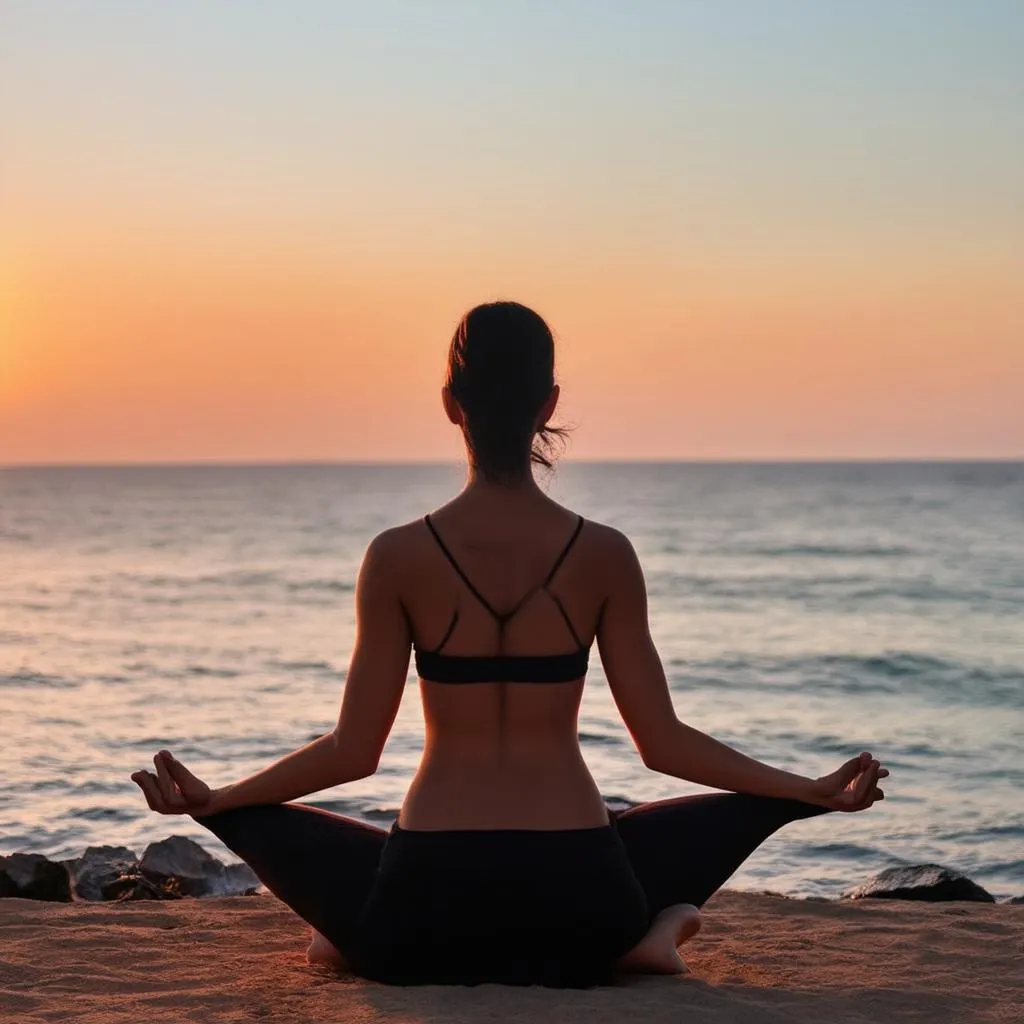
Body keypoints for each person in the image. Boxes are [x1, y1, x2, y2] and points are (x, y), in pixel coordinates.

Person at [131, 301, 887, 987]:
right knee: (668, 832)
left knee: (334, 914)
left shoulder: (396, 557)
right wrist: (802, 791)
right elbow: (662, 744)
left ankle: (355, 941)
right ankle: (651, 936)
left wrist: (222, 801)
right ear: (549, 404)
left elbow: (352, 752)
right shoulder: (605, 554)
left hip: (423, 905)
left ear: (450, 406)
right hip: (582, 900)